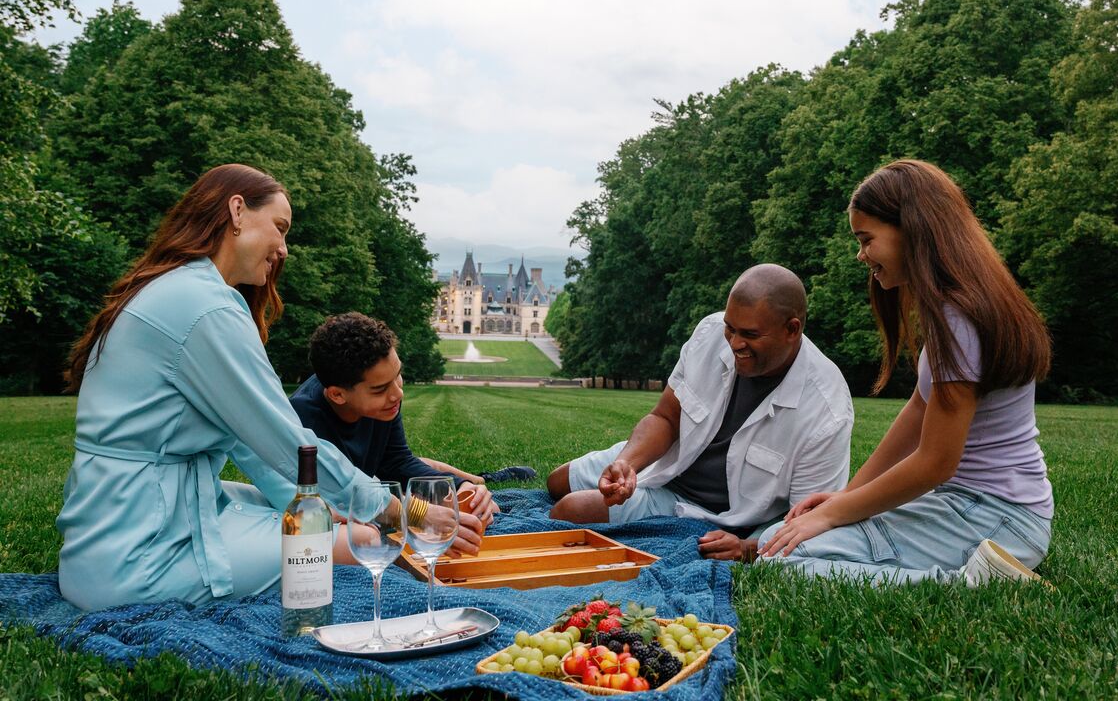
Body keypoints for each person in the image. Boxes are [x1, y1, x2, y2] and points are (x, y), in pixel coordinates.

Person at [56, 164, 482, 612]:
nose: (283, 248)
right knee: (359, 538)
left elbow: (250, 444)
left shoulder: (182, 289)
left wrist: (323, 499)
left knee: (318, 513)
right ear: (237, 211)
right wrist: (404, 510)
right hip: (139, 553)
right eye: (279, 228)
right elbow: (286, 442)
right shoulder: (205, 308)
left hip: (117, 527)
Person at [758, 159, 1053, 585]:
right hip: (974, 507)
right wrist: (846, 499)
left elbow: (934, 463)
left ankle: (977, 584)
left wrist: (834, 515)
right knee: (780, 540)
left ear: (913, 231)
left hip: (994, 518)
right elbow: (919, 410)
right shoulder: (954, 309)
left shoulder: (960, 319)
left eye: (866, 239)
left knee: (781, 557)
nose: (861, 255)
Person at [547, 264, 854, 561]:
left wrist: (748, 547)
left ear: (792, 329)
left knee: (569, 511)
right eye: (730, 329)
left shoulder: (826, 410)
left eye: (749, 334)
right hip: (666, 463)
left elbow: (807, 517)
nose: (734, 344)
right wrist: (628, 463)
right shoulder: (709, 333)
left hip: (713, 513)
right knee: (556, 482)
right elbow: (665, 418)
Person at [290, 312, 515, 525]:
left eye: (398, 376)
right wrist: (419, 513)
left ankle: (478, 480)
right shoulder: (304, 421)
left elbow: (397, 462)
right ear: (337, 395)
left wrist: (460, 488)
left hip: (375, 484)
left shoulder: (385, 402)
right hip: (347, 502)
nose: (398, 393)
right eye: (380, 389)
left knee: (478, 505)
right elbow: (335, 499)